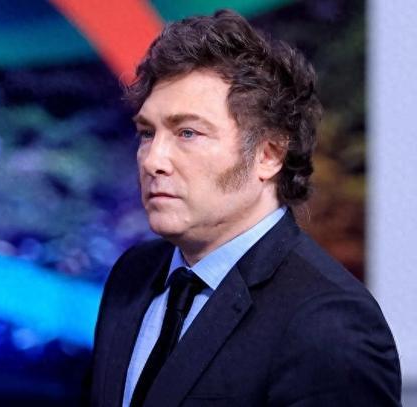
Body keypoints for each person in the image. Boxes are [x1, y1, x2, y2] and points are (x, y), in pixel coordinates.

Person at [86, 9, 401, 407]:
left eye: (188, 133)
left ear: (269, 155)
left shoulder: (330, 324)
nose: (153, 160)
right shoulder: (132, 275)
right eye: (147, 133)